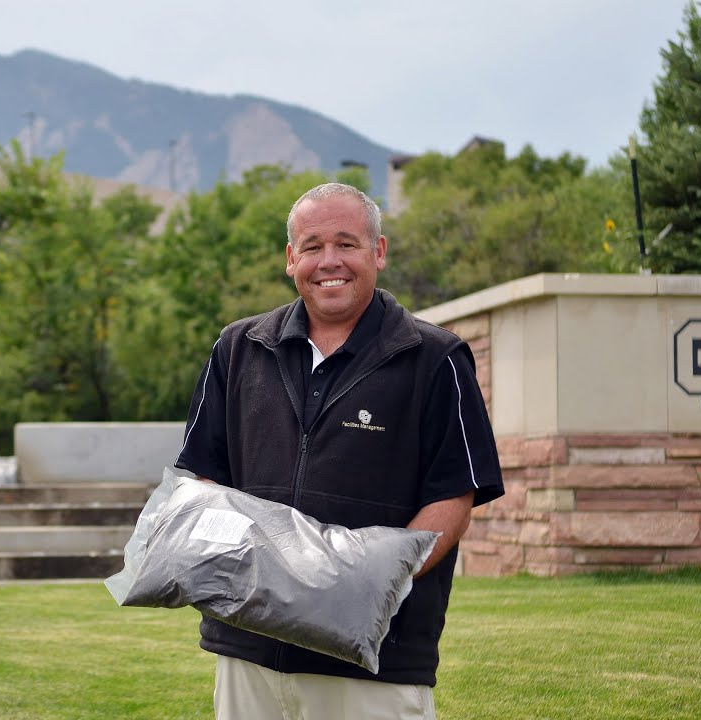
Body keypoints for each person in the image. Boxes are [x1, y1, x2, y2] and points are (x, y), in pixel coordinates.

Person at [175, 182, 504, 720]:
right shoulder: (238, 348)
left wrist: (361, 588)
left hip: (374, 662)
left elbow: (453, 498)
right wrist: (250, 570)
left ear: (378, 251)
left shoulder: (435, 358)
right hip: (248, 651)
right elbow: (203, 480)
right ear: (291, 259)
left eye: (347, 244)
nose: (330, 261)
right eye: (313, 246)